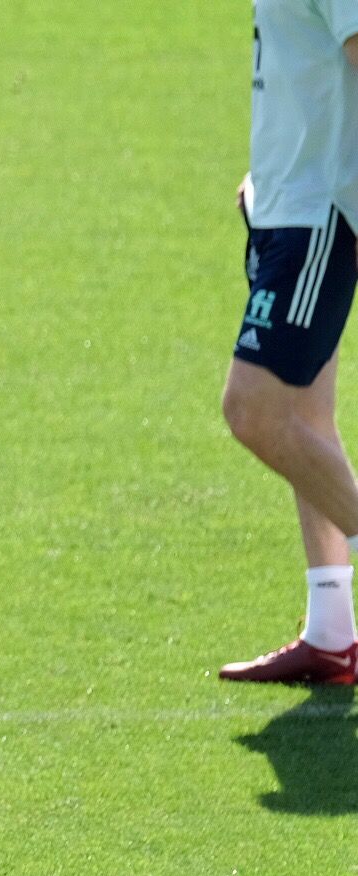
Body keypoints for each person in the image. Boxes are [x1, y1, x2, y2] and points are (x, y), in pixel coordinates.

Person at [220, 1, 358, 683]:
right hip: (283, 206)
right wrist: (266, 174)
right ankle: (332, 632)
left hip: (318, 215)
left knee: (255, 411)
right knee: (307, 420)